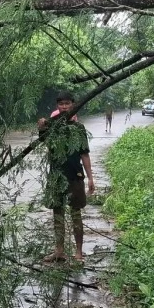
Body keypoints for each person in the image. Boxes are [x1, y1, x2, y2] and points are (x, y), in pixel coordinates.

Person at [37, 91, 95, 264]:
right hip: (56, 176)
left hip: (75, 176)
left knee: (75, 213)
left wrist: (90, 178)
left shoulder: (79, 128)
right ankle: (59, 251)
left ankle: (78, 253)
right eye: (61, 104)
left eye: (67, 103)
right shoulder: (52, 126)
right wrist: (42, 128)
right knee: (58, 214)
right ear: (57, 106)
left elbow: (84, 154)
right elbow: (44, 143)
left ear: (73, 105)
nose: (64, 107)